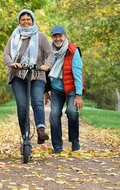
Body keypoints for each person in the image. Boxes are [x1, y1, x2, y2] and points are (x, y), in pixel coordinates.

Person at [2, 9, 54, 144]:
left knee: (37, 101)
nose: (26, 22)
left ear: (33, 20)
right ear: (19, 21)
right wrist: (12, 63)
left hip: (37, 74)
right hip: (18, 75)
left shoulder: (41, 37)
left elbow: (50, 54)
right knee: (22, 105)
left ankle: (40, 130)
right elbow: (6, 54)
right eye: (23, 19)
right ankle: (25, 134)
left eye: (28, 19)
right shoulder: (14, 37)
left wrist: (47, 65)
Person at [44, 26, 84, 154]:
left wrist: (78, 95)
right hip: (56, 89)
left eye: (60, 36)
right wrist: (46, 91)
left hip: (72, 89)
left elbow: (78, 73)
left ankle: (75, 141)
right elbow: (45, 72)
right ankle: (57, 147)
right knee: (54, 115)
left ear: (65, 36)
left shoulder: (73, 51)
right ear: (52, 37)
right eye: (55, 36)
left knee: (72, 112)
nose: (58, 38)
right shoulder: (48, 51)